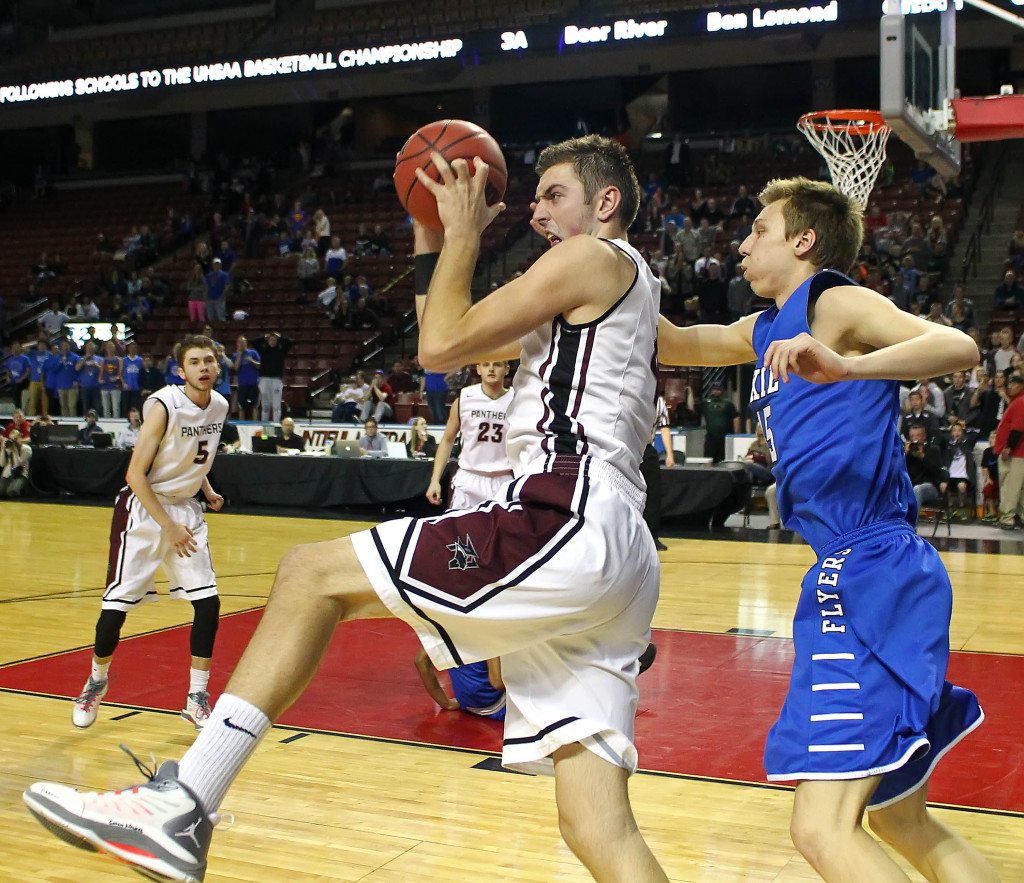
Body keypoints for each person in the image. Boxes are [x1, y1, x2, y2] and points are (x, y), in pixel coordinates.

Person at [24, 135, 670, 883]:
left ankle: (184, 803)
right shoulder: (625, 287)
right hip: (620, 548)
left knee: (307, 574)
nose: (535, 213)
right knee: (597, 824)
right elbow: (449, 336)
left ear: (606, 202)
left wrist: (464, 233)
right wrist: (432, 234)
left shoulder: (589, 257)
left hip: (566, 511)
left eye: (552, 194)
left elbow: (436, 349)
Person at [656, 176, 996, 882]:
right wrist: (600, 265)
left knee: (819, 828)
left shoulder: (832, 302)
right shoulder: (761, 329)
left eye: (759, 230)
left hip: (871, 564)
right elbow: (677, 341)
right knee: (899, 818)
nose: (743, 243)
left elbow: (960, 346)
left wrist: (848, 365)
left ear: (803, 240)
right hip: (865, 567)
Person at [61, 336, 227, 735]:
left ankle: (196, 698)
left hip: (185, 509)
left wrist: (206, 490)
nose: (203, 367)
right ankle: (96, 681)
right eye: (195, 362)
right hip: (143, 510)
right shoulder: (163, 405)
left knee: (208, 604)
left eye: (209, 361)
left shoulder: (219, 404)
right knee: (115, 610)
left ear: (217, 367)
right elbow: (134, 475)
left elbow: (196, 454)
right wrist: (167, 525)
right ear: (180, 371)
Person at [426, 361, 513, 508]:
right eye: (486, 365)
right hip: (469, 478)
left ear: (507, 369)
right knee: (460, 531)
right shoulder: (464, 399)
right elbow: (447, 440)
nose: (491, 369)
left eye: (497, 365)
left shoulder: (517, 401)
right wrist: (435, 480)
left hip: (503, 479)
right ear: (478, 369)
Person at [994, 372, 1024, 530]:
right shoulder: (1016, 401)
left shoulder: (1020, 402)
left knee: (1010, 487)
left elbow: (1017, 429)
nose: (1009, 386)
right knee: (1020, 488)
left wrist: (1009, 447)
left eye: (1013, 384)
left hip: (1016, 453)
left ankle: (1007, 518)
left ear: (1021, 386)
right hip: (1020, 454)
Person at [252, 331, 295, 424]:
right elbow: (253, 342)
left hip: (276, 379)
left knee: (276, 405)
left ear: (277, 341)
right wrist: (264, 336)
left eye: (274, 339)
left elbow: (290, 342)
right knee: (265, 405)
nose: (272, 341)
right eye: (271, 339)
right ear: (268, 341)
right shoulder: (263, 350)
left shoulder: (281, 350)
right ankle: (264, 423)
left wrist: (280, 336)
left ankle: (276, 423)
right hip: (264, 379)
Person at [233, 336, 261, 421]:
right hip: (242, 384)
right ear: (237, 344)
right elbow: (236, 368)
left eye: (243, 342)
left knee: (255, 406)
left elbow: (259, 365)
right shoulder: (235, 355)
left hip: (253, 383)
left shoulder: (253, 353)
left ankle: (255, 423)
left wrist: (252, 361)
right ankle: (241, 424)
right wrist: (239, 355)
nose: (242, 344)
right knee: (241, 406)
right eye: (240, 342)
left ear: (246, 343)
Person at [0, 430, 31, 497]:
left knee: (11, 492)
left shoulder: (27, 449)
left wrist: (15, 451)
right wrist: (3, 449)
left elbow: (17, 464)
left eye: (15, 439)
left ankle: (21, 490)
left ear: (20, 438)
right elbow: (2, 464)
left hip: (20, 474)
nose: (13, 441)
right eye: (11, 439)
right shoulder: (8, 448)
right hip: (7, 474)